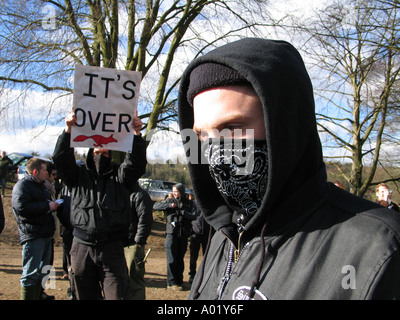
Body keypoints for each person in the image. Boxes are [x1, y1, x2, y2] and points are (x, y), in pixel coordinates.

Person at [177, 38, 400, 299]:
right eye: (202, 135)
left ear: (287, 124)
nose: (215, 153)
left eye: (232, 128)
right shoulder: (225, 234)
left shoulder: (378, 247)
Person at [53, 111, 147, 300]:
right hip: (81, 248)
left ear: (110, 154)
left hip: (112, 249)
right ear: (90, 152)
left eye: (104, 153)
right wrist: (68, 130)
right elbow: (60, 158)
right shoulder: (77, 176)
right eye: (96, 152)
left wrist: (136, 134)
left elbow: (136, 164)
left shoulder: (120, 177)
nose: (100, 155)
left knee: (117, 295)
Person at [12, 157, 58, 300]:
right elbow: (21, 208)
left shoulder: (41, 185)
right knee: (30, 273)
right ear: (35, 171)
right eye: (44, 170)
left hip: (44, 233)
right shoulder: (22, 186)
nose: (47, 173)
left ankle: (38, 296)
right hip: (32, 235)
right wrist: (47, 206)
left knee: (43, 271)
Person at [153, 183, 196, 290]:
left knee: (180, 259)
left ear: (181, 192)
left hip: (183, 234)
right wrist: (168, 206)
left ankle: (179, 281)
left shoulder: (189, 203)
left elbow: (194, 215)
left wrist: (182, 212)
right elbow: (155, 206)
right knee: (171, 259)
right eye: (174, 191)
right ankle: (171, 283)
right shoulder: (169, 201)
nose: (175, 193)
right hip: (171, 234)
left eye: (177, 191)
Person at [124, 182, 153, 300]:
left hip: (133, 244)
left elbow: (145, 219)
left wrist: (139, 241)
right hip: (118, 242)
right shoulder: (121, 192)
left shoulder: (140, 195)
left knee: (134, 279)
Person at [188, 202, 210, 284]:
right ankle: (192, 275)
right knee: (193, 256)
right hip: (195, 232)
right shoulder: (194, 203)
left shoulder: (209, 203)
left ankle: (206, 274)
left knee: (207, 256)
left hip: (207, 233)